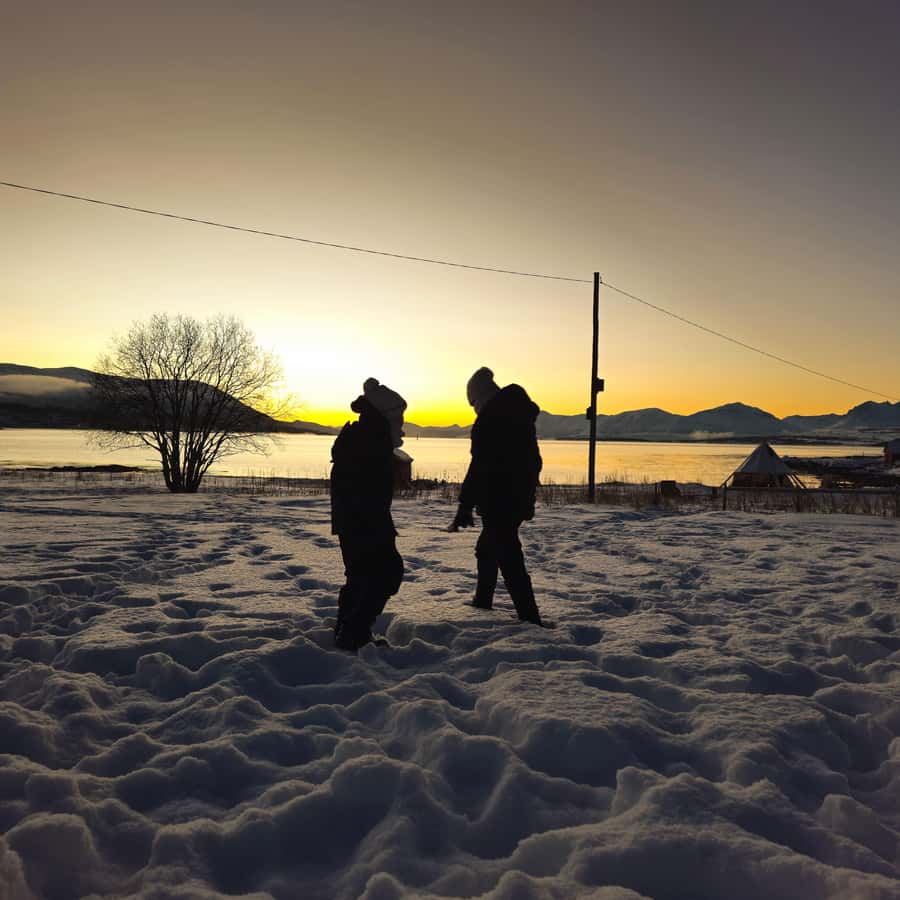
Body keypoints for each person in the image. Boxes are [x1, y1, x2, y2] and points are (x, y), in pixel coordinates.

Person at [449, 367, 547, 626]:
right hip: (517, 496)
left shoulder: (490, 420)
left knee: (508, 555)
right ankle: (483, 601)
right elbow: (534, 461)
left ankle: (530, 617)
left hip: (499, 499)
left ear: (480, 397)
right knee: (487, 549)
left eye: (473, 404)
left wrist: (465, 505)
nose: (474, 410)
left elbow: (479, 465)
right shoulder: (518, 416)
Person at [330, 378, 407, 651]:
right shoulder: (369, 441)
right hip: (364, 520)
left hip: (356, 519)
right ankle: (353, 633)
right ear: (384, 417)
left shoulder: (366, 437)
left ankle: (347, 630)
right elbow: (363, 485)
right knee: (386, 573)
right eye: (398, 417)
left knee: (361, 575)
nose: (401, 424)